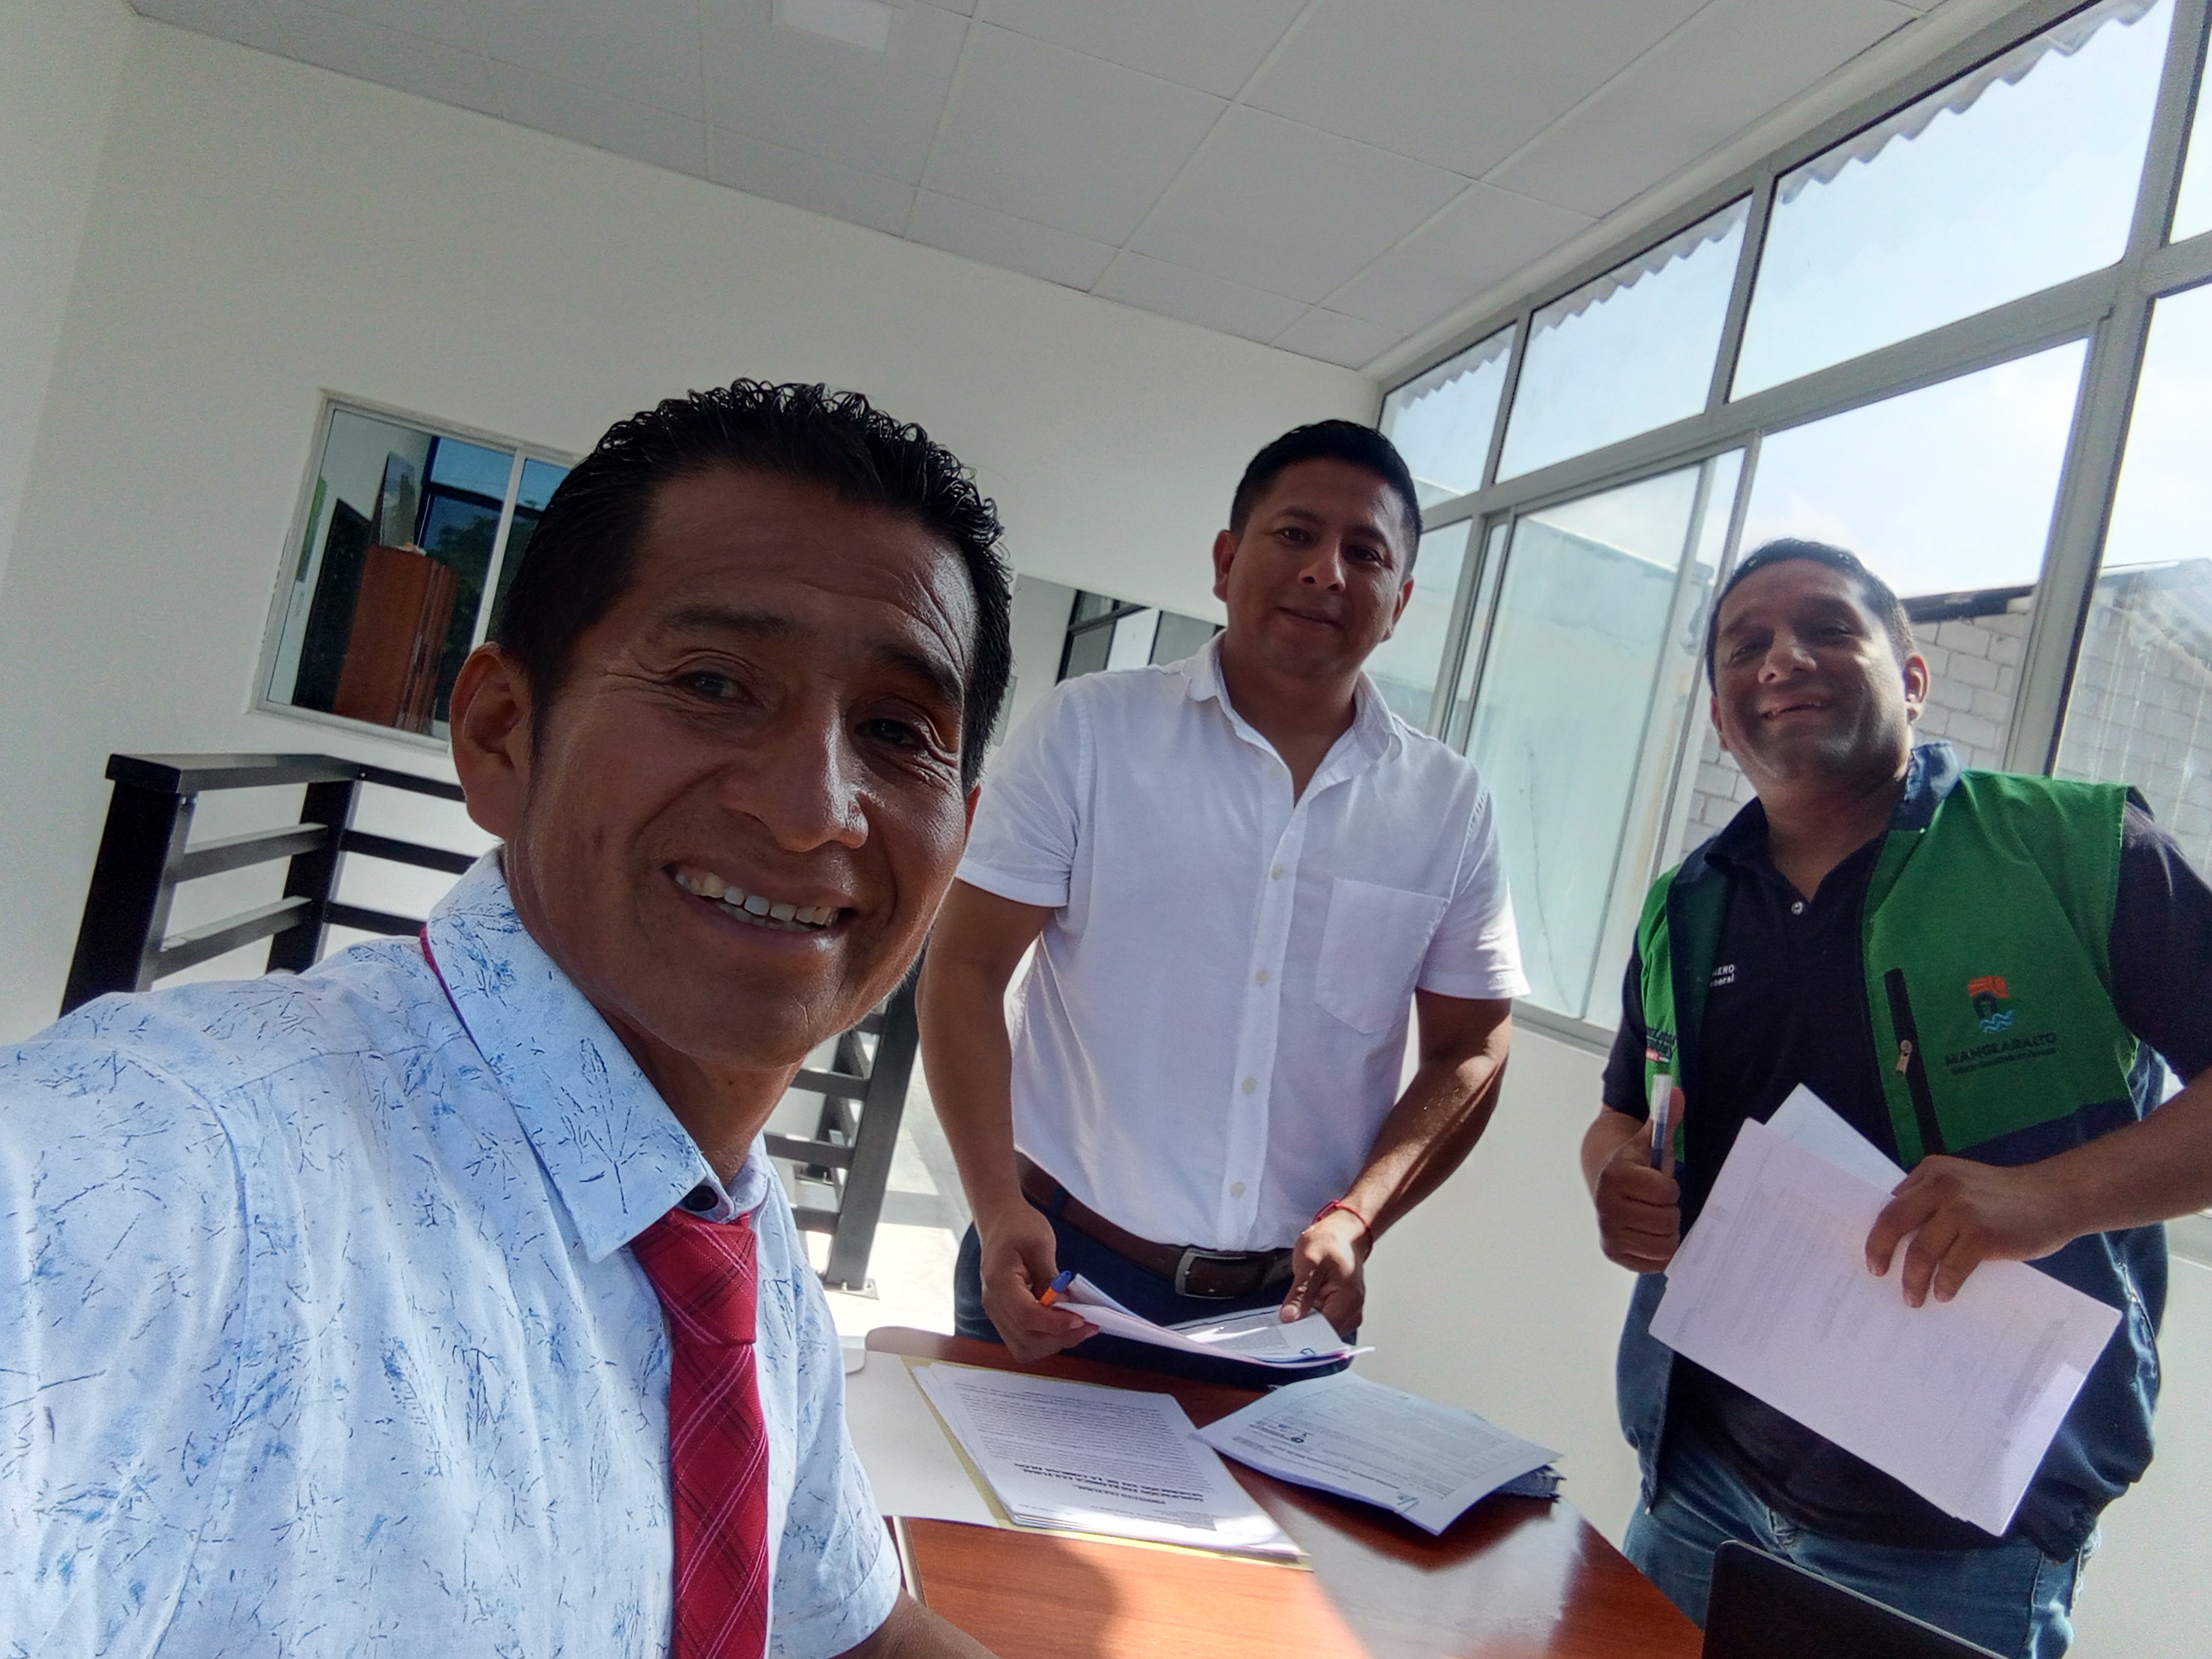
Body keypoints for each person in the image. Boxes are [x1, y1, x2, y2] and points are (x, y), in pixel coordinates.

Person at [0, 382, 1010, 1658]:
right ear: (499, 734)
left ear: (960, 834)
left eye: (898, 730)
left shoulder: (736, 1245)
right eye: (713, 682)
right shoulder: (169, 1178)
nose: (815, 811)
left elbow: (855, 1633)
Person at [1583, 537, 2212, 1656]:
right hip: (1702, 1493)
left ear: (1912, 678)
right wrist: (1614, 1177)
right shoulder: (1686, 905)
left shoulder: (2074, 850)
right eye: (1746, 646)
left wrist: (2053, 1198)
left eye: (1827, 628)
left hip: (1962, 1542)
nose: (1784, 658)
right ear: (1722, 719)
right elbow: (1627, 1111)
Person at [918, 419, 1525, 1382]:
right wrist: (996, 1208)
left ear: (1399, 603)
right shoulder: (1091, 734)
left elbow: (1474, 1047)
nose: (1326, 571)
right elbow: (965, 969)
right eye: (1295, 534)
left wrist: (1361, 1216)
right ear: (1225, 560)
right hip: (1061, 1274)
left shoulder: (1447, 804)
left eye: (1366, 553)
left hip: (1289, 1310)